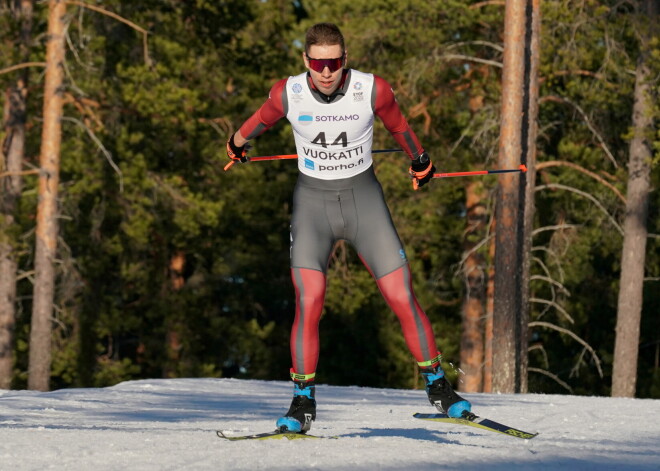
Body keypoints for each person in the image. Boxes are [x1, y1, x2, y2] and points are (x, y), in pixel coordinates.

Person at [226, 22, 471, 433]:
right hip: (312, 206)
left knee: (400, 294)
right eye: (318, 63)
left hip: (364, 203)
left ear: (345, 60)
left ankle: (439, 387)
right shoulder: (287, 92)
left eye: (335, 62)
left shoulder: (372, 90)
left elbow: (400, 127)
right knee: (310, 299)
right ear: (306, 61)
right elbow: (258, 121)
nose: (326, 71)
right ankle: (302, 401)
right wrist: (236, 144)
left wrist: (421, 161)